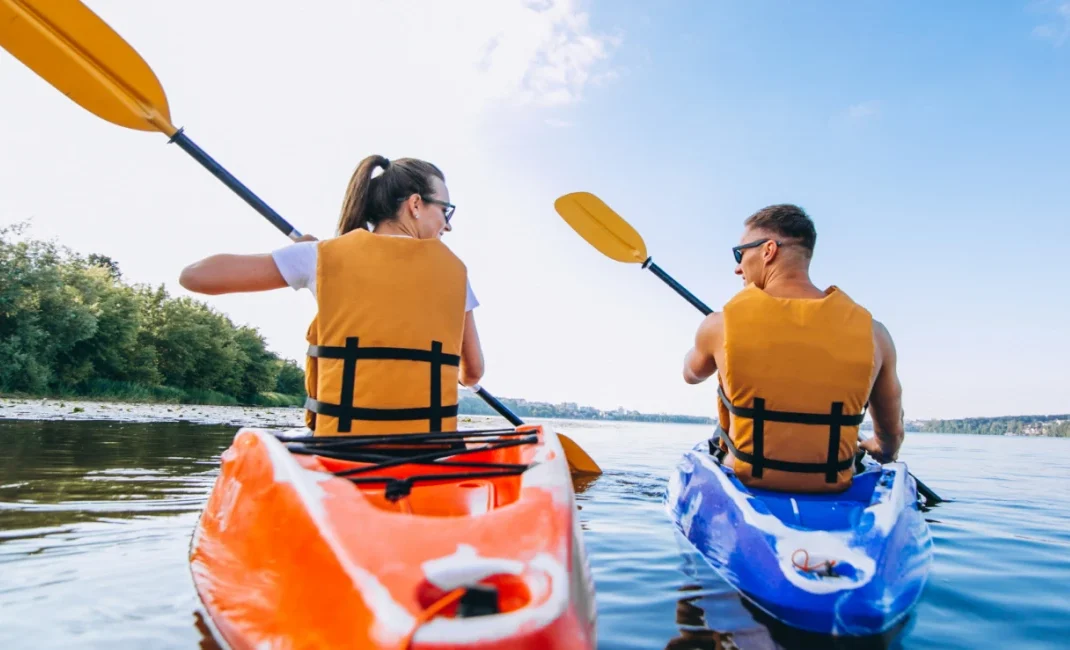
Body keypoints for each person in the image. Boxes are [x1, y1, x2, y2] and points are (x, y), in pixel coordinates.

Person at [179, 155, 484, 436]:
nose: (448, 224)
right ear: (415, 204)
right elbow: (472, 374)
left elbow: (194, 276)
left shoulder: (320, 257)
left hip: (338, 446)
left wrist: (304, 256)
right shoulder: (456, 273)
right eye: (445, 210)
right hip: (427, 450)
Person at [681, 204, 904, 493]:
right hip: (835, 487)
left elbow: (690, 373)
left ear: (768, 250)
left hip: (745, 480)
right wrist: (883, 450)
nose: (737, 267)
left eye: (740, 254)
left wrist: (710, 334)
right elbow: (891, 433)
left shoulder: (719, 325)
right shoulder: (875, 334)